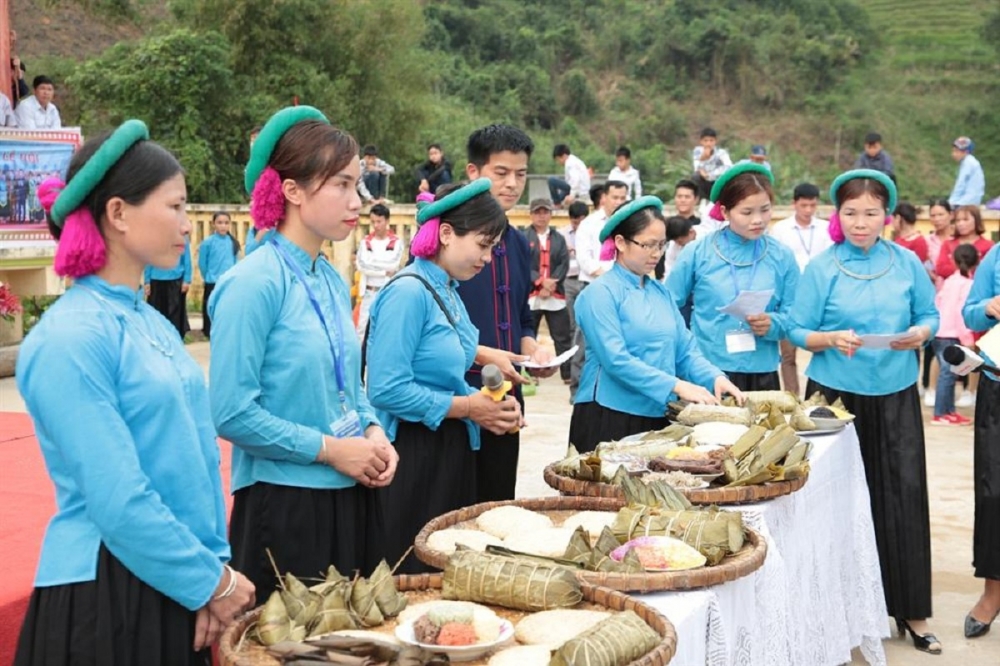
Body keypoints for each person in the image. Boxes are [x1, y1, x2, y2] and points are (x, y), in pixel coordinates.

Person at [13, 119, 255, 666]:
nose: (186, 224)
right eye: (174, 206)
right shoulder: (70, 337)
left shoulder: (151, 322)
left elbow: (190, 463)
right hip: (107, 593)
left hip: (172, 578)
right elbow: (117, 499)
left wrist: (208, 574)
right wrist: (208, 582)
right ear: (118, 213)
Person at [208, 106, 397, 599]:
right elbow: (231, 413)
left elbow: (350, 387)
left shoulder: (330, 279)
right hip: (286, 504)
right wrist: (333, 450)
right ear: (291, 190)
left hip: (353, 491)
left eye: (357, 184)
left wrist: (373, 429)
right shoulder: (251, 284)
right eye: (340, 184)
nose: (356, 199)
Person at [788, 168, 940, 654]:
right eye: (851, 213)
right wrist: (830, 339)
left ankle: (911, 612)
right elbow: (796, 329)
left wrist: (920, 335)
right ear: (838, 215)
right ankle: (836, 615)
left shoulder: (906, 262)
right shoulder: (823, 267)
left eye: (871, 213)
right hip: (835, 397)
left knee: (902, 497)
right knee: (833, 504)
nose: (860, 222)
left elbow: (929, 315)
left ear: (886, 217)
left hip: (895, 392)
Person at [367, 179, 522, 573]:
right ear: (447, 233)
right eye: (483, 245)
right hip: (414, 454)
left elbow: (451, 352)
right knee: (414, 571)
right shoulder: (408, 293)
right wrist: (470, 407)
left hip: (448, 447)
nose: (487, 258)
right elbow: (386, 389)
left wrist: (490, 399)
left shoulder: (448, 289)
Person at [569, 196, 744, 452]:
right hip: (609, 414)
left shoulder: (660, 293)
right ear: (620, 242)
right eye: (647, 245)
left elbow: (685, 350)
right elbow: (616, 360)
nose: (656, 254)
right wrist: (676, 385)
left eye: (661, 245)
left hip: (657, 412)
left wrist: (714, 376)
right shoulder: (599, 294)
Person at [458, 124, 555, 502]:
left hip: (507, 397)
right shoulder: (448, 239)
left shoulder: (518, 242)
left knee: (497, 503)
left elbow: (522, 317)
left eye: (520, 174)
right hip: (457, 397)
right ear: (473, 173)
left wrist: (534, 352)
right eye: (501, 173)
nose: (512, 184)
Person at [667, 163, 799, 392]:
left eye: (765, 209)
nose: (758, 219)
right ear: (725, 212)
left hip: (762, 371)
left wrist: (774, 324)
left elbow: (797, 315)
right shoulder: (698, 253)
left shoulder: (782, 256)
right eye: (747, 212)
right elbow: (667, 307)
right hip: (707, 370)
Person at [961, 243, 1000, 639]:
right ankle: (993, 593)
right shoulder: (998, 256)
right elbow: (969, 311)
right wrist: (989, 307)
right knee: (994, 494)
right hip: (998, 387)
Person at [768, 182, 833, 395]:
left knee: (825, 348)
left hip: (820, 297)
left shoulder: (825, 229)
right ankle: (792, 398)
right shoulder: (780, 230)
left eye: (812, 206)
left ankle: (822, 396)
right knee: (788, 355)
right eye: (804, 205)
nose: (808, 210)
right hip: (790, 299)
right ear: (794, 204)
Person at [570, 180, 628, 399]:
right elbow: (585, 260)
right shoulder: (590, 224)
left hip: (623, 292)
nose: (619, 202)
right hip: (593, 289)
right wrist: (612, 277)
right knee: (584, 341)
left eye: (623, 198)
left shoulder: (630, 224)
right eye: (615, 197)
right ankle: (577, 390)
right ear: (604, 197)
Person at [523, 197, 573, 383]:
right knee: (528, 335)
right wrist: (539, 281)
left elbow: (563, 263)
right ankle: (528, 372)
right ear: (531, 214)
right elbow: (523, 263)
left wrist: (551, 283)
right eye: (537, 212)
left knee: (562, 336)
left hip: (555, 293)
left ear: (551, 215)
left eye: (545, 212)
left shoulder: (559, 239)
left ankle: (567, 374)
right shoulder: (523, 237)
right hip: (531, 294)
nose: (541, 216)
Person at [931, 244, 978, 426]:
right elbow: (961, 313)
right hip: (951, 335)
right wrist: (967, 339)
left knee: (950, 374)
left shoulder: (949, 280)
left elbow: (938, 303)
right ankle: (941, 413)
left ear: (954, 260)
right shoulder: (968, 284)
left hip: (940, 333)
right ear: (977, 260)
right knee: (948, 375)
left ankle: (949, 411)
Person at [355, 203, 403, 337]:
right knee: (362, 330)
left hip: (387, 292)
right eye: (373, 222)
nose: (376, 225)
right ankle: (362, 358)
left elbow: (393, 265)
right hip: (369, 291)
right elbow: (362, 266)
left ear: (387, 221)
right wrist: (383, 271)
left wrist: (373, 263)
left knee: (387, 329)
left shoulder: (396, 242)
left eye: (379, 221)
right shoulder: (366, 242)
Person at [197, 211, 240, 340]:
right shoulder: (208, 243)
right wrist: (208, 276)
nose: (223, 226)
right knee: (211, 307)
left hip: (228, 282)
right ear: (213, 224)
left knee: (227, 308)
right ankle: (209, 331)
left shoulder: (233, 243)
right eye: (220, 223)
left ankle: (227, 331)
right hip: (212, 281)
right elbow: (202, 263)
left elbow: (236, 263)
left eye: (226, 223)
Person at [144, 236, 192, 338]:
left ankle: (175, 340)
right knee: (156, 315)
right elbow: (148, 259)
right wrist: (147, 281)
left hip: (175, 280)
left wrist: (187, 279)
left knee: (175, 316)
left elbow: (186, 259)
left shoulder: (181, 236)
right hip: (156, 280)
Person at [935, 205, 994, 281]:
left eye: (965, 220)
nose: (960, 224)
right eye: (958, 220)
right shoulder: (948, 244)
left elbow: (990, 270)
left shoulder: (988, 246)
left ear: (976, 220)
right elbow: (940, 268)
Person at [559, 200, 589, 341]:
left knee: (584, 323)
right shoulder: (561, 234)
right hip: (568, 280)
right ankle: (570, 360)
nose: (580, 227)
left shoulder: (592, 233)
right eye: (577, 223)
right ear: (571, 219)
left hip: (586, 279)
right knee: (569, 322)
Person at [691, 127, 732, 201]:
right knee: (695, 177)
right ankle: (702, 200)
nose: (708, 143)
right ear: (701, 141)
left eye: (711, 140)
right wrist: (703, 159)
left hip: (717, 180)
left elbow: (729, 167)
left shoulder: (721, 153)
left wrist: (710, 174)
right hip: (705, 182)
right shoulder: (697, 151)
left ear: (715, 141)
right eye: (705, 141)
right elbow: (696, 168)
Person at [949, 137, 985, 207]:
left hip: (965, 202)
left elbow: (960, 184)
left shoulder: (968, 163)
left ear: (966, 152)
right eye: (953, 151)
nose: (953, 154)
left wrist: (951, 202)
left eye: (956, 151)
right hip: (973, 201)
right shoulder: (970, 161)